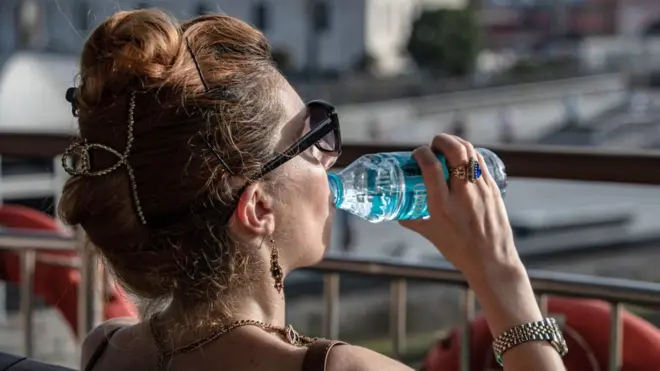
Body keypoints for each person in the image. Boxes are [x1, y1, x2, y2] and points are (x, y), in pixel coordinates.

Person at [58, 9, 567, 371]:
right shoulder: (339, 368)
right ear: (257, 207)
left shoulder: (105, 349)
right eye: (312, 138)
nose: (332, 158)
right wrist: (499, 272)